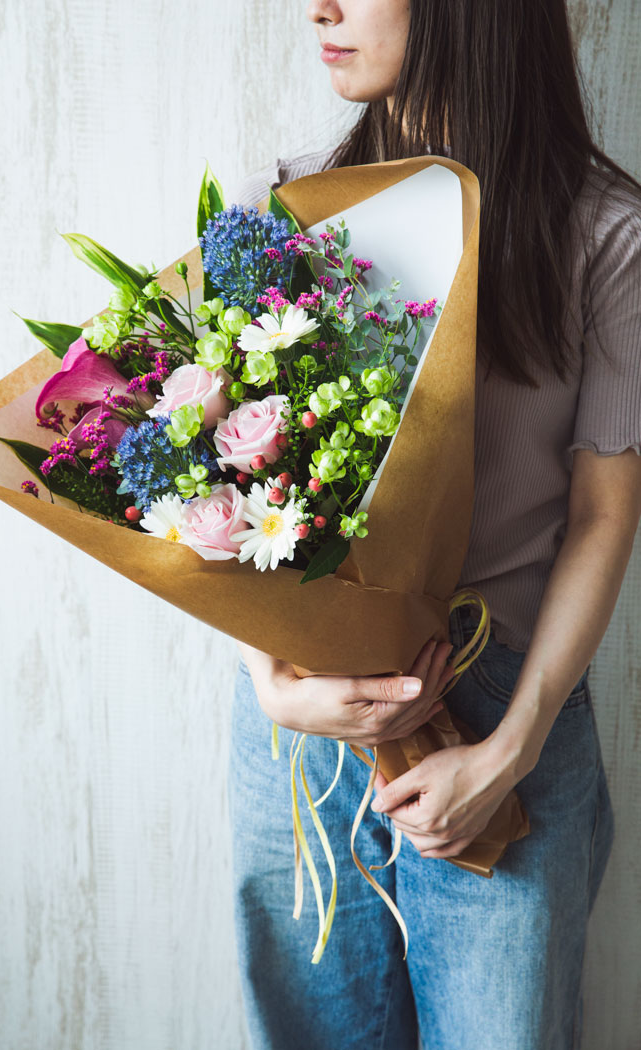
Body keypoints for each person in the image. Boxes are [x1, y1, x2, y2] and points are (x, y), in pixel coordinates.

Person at [226, 2, 641, 1048]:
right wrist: (266, 675)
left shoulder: (601, 231)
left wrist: (510, 750)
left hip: (502, 713)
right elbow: (225, 497)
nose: (316, 5)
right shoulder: (288, 201)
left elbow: (602, 513)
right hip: (299, 736)